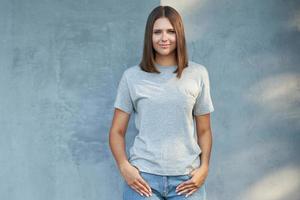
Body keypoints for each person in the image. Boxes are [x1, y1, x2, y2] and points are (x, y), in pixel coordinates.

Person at [109, 5, 214, 200]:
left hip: (187, 180)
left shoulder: (198, 74)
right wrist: (125, 167)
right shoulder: (132, 77)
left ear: (179, 34)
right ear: (149, 36)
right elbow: (116, 131)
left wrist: (204, 168)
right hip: (143, 180)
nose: (164, 38)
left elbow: (204, 130)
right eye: (157, 32)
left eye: (170, 31)